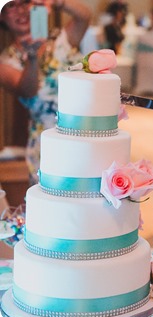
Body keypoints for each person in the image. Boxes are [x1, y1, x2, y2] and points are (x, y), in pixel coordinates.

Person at [0, 0, 91, 184]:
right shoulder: (5, 61)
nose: (20, 10)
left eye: (23, 3)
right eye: (11, 6)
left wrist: (58, 2)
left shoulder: (61, 40)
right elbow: (27, 91)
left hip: (86, 131)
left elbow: (84, 16)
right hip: (48, 141)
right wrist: (32, 59)